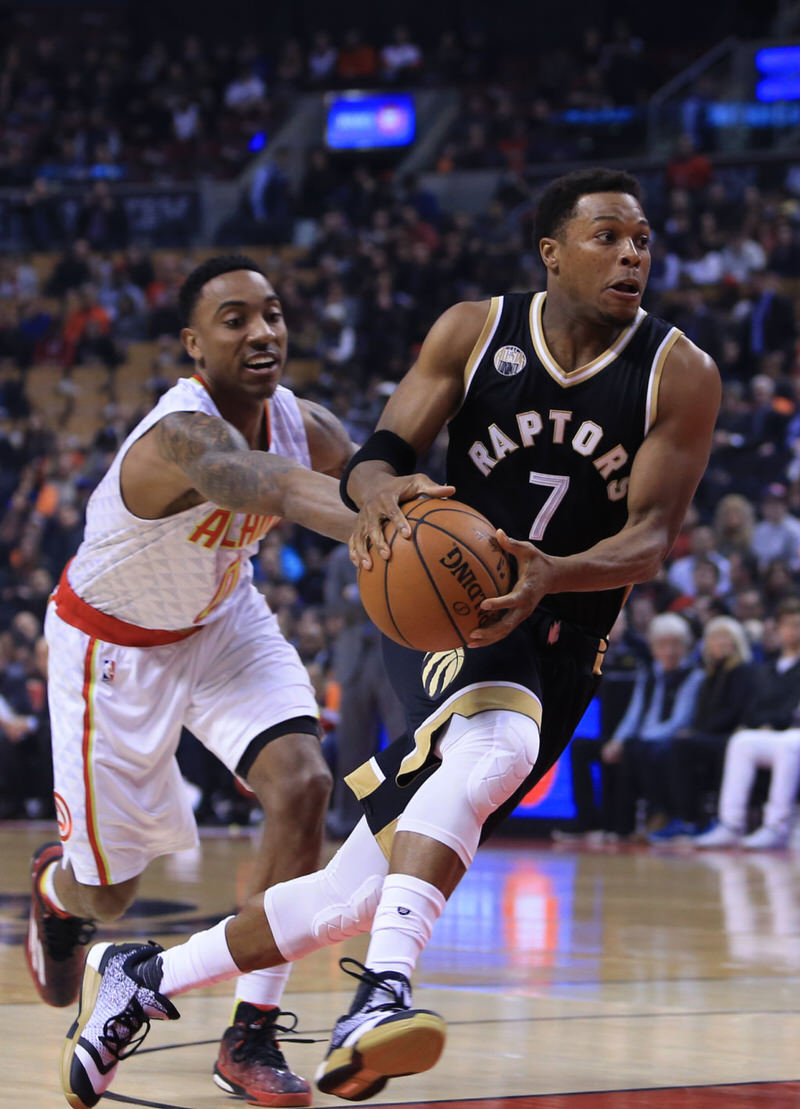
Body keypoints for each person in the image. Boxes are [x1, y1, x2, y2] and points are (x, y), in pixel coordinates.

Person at [59, 168, 721, 1108]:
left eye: (642, 240)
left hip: (568, 627)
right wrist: (386, 510)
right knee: (502, 738)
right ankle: (382, 994)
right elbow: (379, 458)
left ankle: (142, 977)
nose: (631, 255)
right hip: (443, 605)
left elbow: (651, 537)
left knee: (351, 892)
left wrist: (557, 574)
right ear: (552, 252)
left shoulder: (679, 370)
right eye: (608, 236)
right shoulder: (473, 330)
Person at [27, 254, 366, 1107]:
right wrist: (382, 520)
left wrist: (435, 508)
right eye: (236, 319)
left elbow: (367, 471)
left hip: (221, 623)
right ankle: (57, 892)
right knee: (111, 891)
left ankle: (249, 1037)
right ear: (192, 346)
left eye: (275, 314)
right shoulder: (179, 433)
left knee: (304, 786)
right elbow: (281, 488)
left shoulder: (302, 418)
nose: (263, 332)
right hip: (113, 647)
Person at [694, 595, 800, 850]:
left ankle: (777, 826)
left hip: (792, 734)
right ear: (778, 627)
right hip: (772, 734)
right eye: (788, 624)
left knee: (788, 743)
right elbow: (754, 706)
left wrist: (772, 724)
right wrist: (760, 723)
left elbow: (793, 709)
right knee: (741, 741)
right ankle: (731, 824)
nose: (793, 631)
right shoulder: (767, 668)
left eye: (797, 624)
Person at [649, 615, 754, 841]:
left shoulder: (742, 671)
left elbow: (734, 712)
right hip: (707, 736)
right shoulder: (710, 673)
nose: (721, 643)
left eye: (726, 638)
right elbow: (701, 713)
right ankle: (676, 816)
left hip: (730, 737)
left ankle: (691, 818)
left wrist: (698, 733)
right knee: (670, 746)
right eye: (715, 639)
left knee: (681, 746)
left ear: (737, 642)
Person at [601, 612, 704, 839]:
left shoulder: (694, 676)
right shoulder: (647, 675)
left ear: (685, 647)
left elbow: (682, 719)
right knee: (628, 748)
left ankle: (663, 814)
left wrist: (645, 738)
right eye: (662, 645)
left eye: (675, 645)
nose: (669, 651)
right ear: (653, 648)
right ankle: (621, 826)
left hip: (672, 738)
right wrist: (617, 740)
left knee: (647, 749)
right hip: (647, 738)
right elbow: (633, 715)